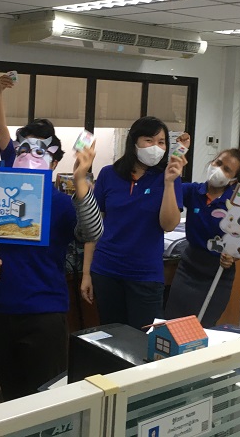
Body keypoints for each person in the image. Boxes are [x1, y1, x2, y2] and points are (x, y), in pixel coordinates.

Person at [0, 73, 103, 400]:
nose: (29, 155)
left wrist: (81, 180)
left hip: (44, 313)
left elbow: (92, 232)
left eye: (40, 151)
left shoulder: (61, 204)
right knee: (9, 389)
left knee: (44, 395)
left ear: (55, 161)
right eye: (23, 149)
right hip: (0, 308)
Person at [81, 116, 185, 330]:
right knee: (112, 337)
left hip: (145, 275)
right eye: (149, 140)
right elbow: (93, 227)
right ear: (134, 142)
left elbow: (168, 225)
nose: (156, 147)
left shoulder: (169, 177)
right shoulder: (109, 174)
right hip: (106, 271)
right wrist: (86, 274)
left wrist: (168, 183)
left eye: (161, 142)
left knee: (144, 339)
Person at [165, 145, 240, 327]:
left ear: (233, 180)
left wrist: (233, 257)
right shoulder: (194, 191)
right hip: (188, 267)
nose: (218, 169)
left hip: (218, 273)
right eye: (218, 163)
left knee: (200, 328)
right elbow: (168, 186)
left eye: (226, 169)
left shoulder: (238, 204)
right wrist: (178, 153)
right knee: (173, 324)